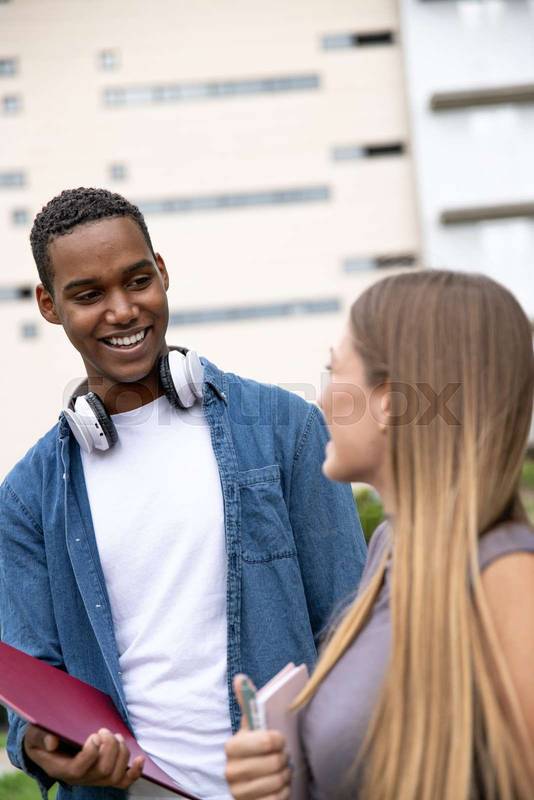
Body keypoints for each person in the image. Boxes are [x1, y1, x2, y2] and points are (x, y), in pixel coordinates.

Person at [0, 187, 367, 800]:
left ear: (162, 273)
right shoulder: (25, 500)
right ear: (49, 304)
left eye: (137, 281)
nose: (121, 311)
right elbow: (30, 695)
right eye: (89, 295)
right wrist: (43, 747)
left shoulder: (286, 430)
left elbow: (354, 640)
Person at [225, 270, 534, 800]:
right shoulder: (390, 549)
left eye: (334, 372)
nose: (321, 403)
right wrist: (286, 779)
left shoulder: (506, 576)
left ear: (390, 402)